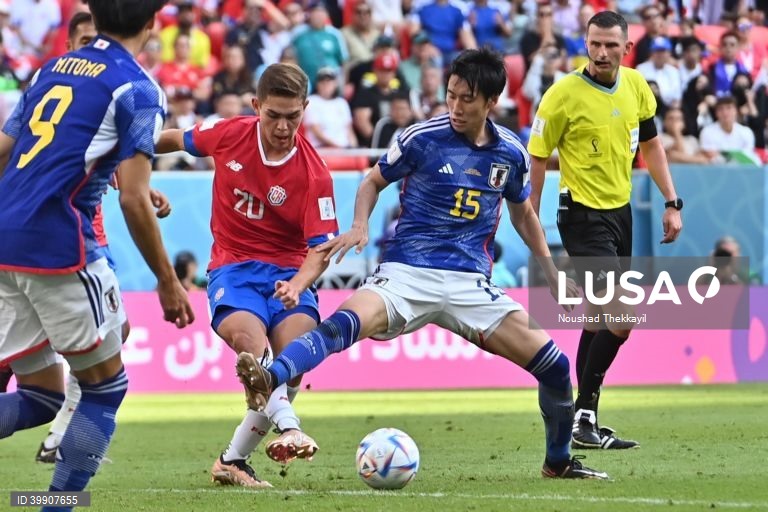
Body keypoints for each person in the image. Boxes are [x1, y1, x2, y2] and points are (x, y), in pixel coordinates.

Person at [236, 48, 609, 480]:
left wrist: (548, 269)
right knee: (340, 326)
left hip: (471, 282)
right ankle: (269, 375)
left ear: (491, 102)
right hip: (406, 273)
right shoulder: (422, 138)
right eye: (450, 95)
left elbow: (523, 213)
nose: (454, 106)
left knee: (557, 368)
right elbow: (372, 182)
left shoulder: (511, 154)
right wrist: (359, 225)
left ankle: (558, 462)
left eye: (467, 98)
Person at [0, 1, 194, 509]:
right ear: (153, 25)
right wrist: (168, 281)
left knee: (43, 394)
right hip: (59, 246)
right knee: (105, 390)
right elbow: (133, 196)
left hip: (5, 238)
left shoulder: (52, 67)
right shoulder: (137, 87)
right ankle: (56, 507)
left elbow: (5, 146)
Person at [156, 62, 340, 488]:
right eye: (273, 115)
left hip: (290, 274)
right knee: (250, 346)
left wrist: (298, 284)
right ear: (256, 105)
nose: (282, 126)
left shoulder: (315, 173)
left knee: (292, 362)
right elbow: (172, 140)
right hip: (234, 268)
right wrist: (125, 154)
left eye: (292, 116)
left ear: (305, 109)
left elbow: (321, 249)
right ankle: (289, 425)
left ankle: (232, 461)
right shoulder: (229, 133)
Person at [527, 11, 683, 450]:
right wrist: (530, 216)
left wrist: (671, 201)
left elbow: (651, 144)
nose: (601, 52)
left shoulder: (636, 87)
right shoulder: (561, 96)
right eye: (594, 43)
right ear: (585, 43)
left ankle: (583, 420)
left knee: (599, 318)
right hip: (581, 215)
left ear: (626, 48)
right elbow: (537, 157)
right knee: (622, 316)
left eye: (611, 45)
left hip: (620, 212)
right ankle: (583, 415)